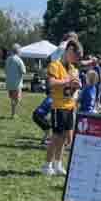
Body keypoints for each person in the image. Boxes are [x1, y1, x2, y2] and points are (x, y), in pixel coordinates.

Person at [43, 38, 82, 176]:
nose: (75, 60)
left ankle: (58, 164)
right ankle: (47, 165)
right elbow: (51, 83)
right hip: (58, 106)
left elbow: (73, 85)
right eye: (75, 55)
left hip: (70, 106)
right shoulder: (55, 65)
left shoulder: (72, 69)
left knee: (65, 137)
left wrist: (76, 85)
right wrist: (66, 81)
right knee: (56, 137)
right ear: (69, 50)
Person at [5, 43, 27, 118]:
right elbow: (23, 71)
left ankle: (13, 113)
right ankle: (13, 114)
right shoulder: (19, 60)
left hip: (9, 83)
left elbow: (6, 70)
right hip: (16, 83)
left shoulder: (8, 59)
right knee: (17, 99)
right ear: (18, 51)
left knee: (12, 99)